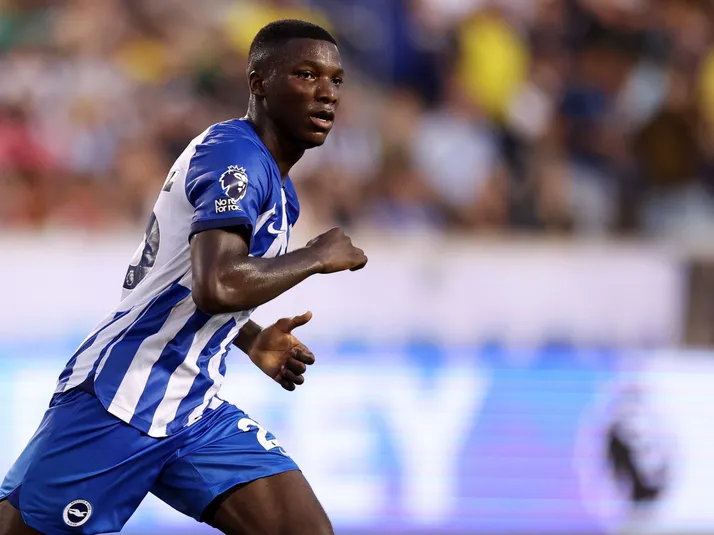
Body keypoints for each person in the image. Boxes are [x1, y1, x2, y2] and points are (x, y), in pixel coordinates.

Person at [0, 19, 366, 535]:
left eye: (336, 80)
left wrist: (248, 336)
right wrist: (314, 256)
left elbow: (180, 282)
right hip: (123, 398)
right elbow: (216, 286)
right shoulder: (235, 156)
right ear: (259, 83)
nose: (327, 93)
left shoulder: (276, 185)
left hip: (193, 408)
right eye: (306, 75)